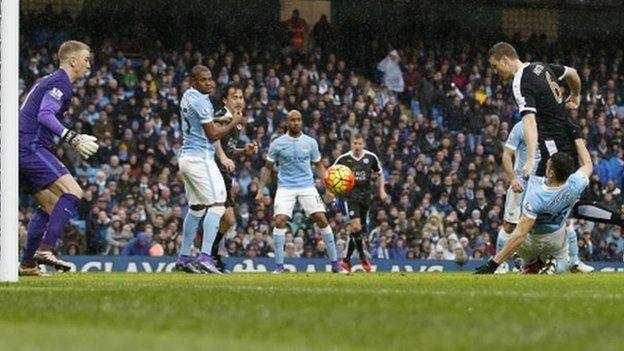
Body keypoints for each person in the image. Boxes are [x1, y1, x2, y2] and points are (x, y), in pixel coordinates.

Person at [488, 42, 623, 229]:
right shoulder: (540, 66)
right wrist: (575, 95)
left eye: (495, 66)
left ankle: (537, 251)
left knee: (549, 201)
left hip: (554, 143)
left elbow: (529, 121)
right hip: (566, 133)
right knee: (566, 202)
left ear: (505, 59)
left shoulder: (520, 82)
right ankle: (617, 219)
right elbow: (573, 74)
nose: (495, 71)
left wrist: (529, 159)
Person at [19, 40, 99, 276]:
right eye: (86, 60)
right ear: (73, 61)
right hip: (28, 146)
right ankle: (46, 249)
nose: (88, 65)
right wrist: (71, 137)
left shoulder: (49, 80)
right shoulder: (60, 81)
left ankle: (27, 265)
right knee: (73, 192)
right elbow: (45, 114)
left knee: (50, 204)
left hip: (21, 147)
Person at [476, 138, 593, 274]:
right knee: (564, 250)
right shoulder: (575, 183)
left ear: (551, 173)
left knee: (518, 238)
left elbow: (520, 235)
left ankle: (529, 262)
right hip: (556, 237)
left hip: (534, 239)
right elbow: (588, 164)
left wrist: (493, 264)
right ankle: (557, 263)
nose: (546, 165)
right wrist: (577, 138)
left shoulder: (537, 196)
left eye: (548, 165)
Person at [174, 65, 245, 274]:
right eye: (204, 80)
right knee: (217, 206)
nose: (210, 83)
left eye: (210, 79)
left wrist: (219, 119)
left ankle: (184, 258)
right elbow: (213, 135)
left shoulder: (187, 96)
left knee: (196, 209)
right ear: (194, 81)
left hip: (185, 158)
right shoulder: (202, 101)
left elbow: (200, 122)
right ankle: (205, 258)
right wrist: (233, 122)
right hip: (200, 158)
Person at [255, 110, 343, 274]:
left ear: (301, 122)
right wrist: (260, 190)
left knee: (322, 219)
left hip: (307, 186)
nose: (296, 123)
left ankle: (335, 264)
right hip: (285, 187)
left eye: (298, 120)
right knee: (280, 220)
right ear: (287, 123)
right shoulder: (277, 143)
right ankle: (279, 266)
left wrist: (329, 188)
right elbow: (268, 168)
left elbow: (319, 166)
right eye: (292, 120)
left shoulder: (310, 142)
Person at [210, 84, 258, 272]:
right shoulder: (222, 115)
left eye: (241, 97)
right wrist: (222, 157)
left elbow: (228, 148)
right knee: (216, 214)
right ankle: (208, 255)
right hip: (212, 168)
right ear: (225, 100)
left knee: (228, 220)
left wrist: (243, 151)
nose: (239, 100)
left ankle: (211, 254)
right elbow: (214, 139)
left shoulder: (236, 120)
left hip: (223, 170)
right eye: (234, 97)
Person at [331, 134, 388, 273]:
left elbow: (380, 174)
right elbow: (331, 174)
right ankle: (362, 257)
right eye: (355, 143)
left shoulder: (371, 157)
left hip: (366, 197)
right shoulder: (344, 159)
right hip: (350, 197)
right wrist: (332, 193)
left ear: (363, 144)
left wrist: (382, 191)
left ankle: (346, 260)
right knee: (356, 227)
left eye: (359, 143)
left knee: (359, 230)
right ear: (351, 144)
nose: (357, 146)